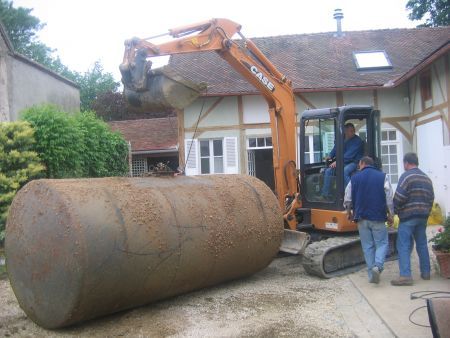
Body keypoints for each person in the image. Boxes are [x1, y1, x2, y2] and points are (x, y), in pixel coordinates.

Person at [344, 156, 394, 284]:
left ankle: (372, 274)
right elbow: (389, 197)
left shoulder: (354, 178)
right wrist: (391, 215)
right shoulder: (382, 177)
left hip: (361, 217)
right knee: (382, 243)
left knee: (367, 246)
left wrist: (349, 212)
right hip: (378, 217)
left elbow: (348, 197)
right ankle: (378, 266)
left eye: (359, 165)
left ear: (362, 164)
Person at [391, 152, 434, 286]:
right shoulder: (427, 178)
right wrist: (426, 212)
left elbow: (399, 197)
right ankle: (426, 272)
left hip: (408, 216)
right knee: (421, 243)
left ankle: (405, 276)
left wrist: (396, 211)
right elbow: (431, 198)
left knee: (403, 244)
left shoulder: (406, 177)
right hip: (423, 217)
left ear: (406, 163)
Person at [321, 123, 364, 199]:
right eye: (350, 131)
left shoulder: (357, 141)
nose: (352, 132)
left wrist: (338, 162)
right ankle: (325, 195)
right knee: (328, 171)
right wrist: (329, 156)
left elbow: (349, 155)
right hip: (343, 162)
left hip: (353, 162)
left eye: (353, 131)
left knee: (344, 172)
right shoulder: (342, 139)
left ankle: (351, 195)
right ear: (345, 131)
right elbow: (335, 149)